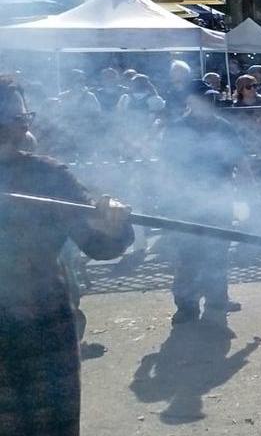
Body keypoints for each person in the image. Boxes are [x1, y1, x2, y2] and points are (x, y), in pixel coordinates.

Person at [0, 75, 133, 436]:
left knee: (53, 426)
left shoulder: (48, 175)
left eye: (24, 117)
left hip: (43, 323)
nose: (23, 126)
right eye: (14, 117)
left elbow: (98, 243)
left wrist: (111, 223)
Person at [158, 82, 243, 326]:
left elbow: (239, 159)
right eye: (204, 99)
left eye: (210, 98)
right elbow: (166, 167)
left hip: (220, 200)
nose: (209, 103)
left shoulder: (223, 127)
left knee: (218, 253)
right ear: (190, 101)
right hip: (186, 203)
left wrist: (249, 191)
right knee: (188, 255)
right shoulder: (177, 129)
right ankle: (187, 307)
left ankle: (217, 301)